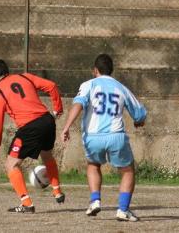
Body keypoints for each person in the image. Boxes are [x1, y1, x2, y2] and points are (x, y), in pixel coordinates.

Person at [61, 54, 147, 222]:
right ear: (111, 70)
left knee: (93, 165)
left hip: (93, 136)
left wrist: (66, 127)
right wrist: (138, 122)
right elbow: (139, 114)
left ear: (95, 70)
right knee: (127, 171)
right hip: (116, 136)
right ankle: (123, 210)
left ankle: (95, 200)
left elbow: (78, 104)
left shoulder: (88, 85)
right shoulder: (121, 87)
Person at [0, 59, 65, 213]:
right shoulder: (25, 77)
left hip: (30, 126)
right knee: (47, 155)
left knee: (11, 165)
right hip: (47, 120)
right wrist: (58, 109)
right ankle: (57, 191)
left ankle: (27, 203)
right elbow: (52, 86)